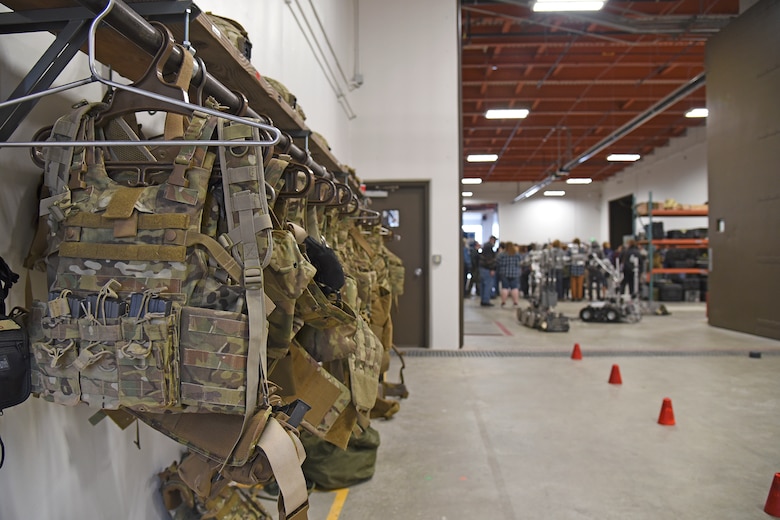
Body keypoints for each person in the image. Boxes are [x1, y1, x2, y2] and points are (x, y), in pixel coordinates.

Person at [496, 241, 522, 307]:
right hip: (515, 273)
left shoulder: (502, 254)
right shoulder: (517, 254)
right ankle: (515, 302)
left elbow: (497, 262)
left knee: (505, 288)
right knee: (514, 288)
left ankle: (503, 302)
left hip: (504, 273)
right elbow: (520, 263)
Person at [478, 235, 498, 307]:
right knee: (487, 285)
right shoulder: (489, 248)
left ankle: (483, 300)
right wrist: (492, 268)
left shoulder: (485, 247)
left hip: (482, 268)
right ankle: (486, 300)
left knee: (483, 285)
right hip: (487, 269)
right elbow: (489, 260)